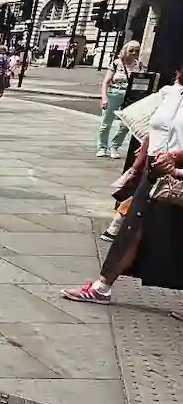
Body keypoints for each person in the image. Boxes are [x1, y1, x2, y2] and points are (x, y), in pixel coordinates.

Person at [64, 68, 183, 305]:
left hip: (177, 171)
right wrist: (136, 167)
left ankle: (102, 286)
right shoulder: (171, 92)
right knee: (132, 228)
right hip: (156, 169)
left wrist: (177, 156)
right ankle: (102, 286)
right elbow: (153, 129)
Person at [97, 40, 140, 158]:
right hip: (114, 94)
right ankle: (102, 147)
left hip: (130, 96)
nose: (134, 53)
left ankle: (114, 146)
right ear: (125, 50)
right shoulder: (117, 63)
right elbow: (105, 82)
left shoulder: (138, 64)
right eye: (131, 50)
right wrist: (104, 98)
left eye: (137, 51)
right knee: (106, 122)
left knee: (126, 124)